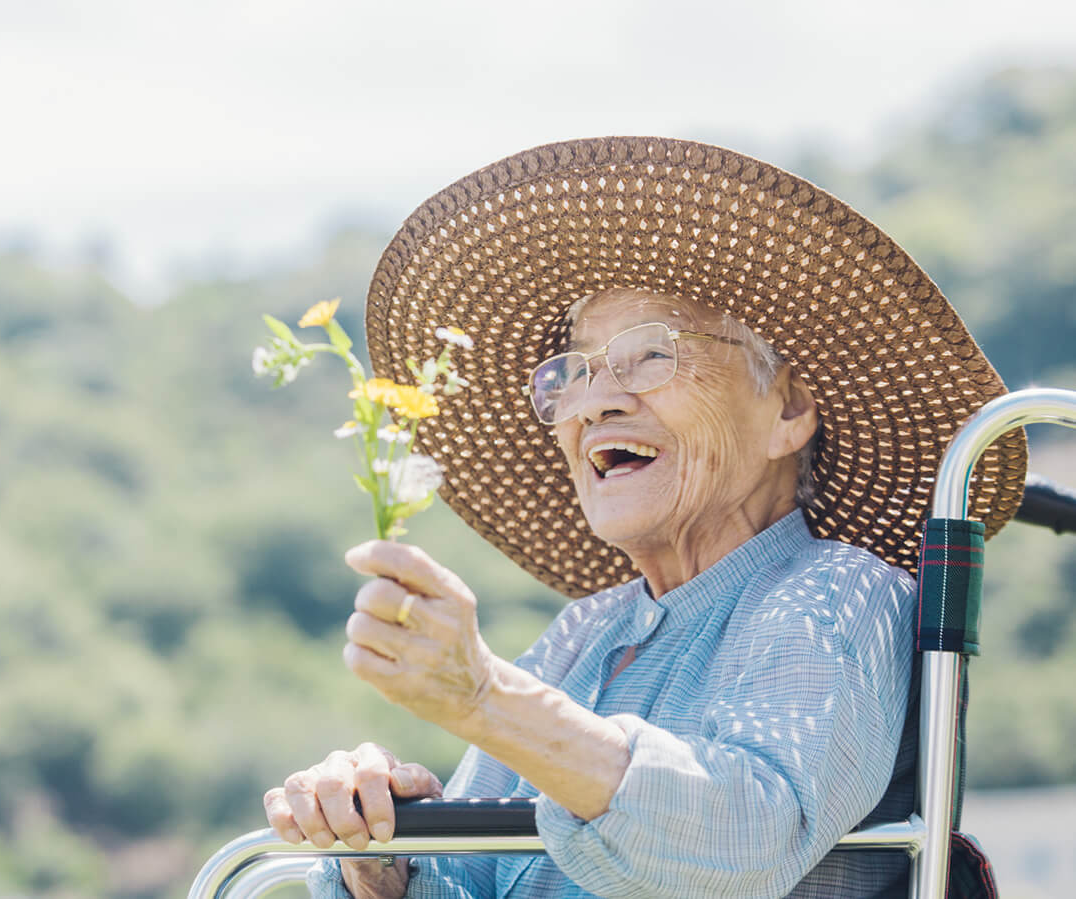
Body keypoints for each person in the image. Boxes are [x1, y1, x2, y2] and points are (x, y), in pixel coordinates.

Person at [261, 137, 1027, 898]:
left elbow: (746, 835)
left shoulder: (835, 592)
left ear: (786, 409)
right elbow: (467, 883)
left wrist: (487, 698)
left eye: (650, 352)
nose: (593, 401)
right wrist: (376, 854)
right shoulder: (580, 635)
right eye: (572, 372)